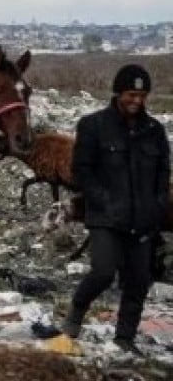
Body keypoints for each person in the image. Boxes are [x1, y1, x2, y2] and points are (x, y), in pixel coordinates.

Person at [62, 64, 170, 354]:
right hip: (106, 217)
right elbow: (82, 170)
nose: (137, 101)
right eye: (131, 94)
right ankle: (77, 310)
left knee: (138, 282)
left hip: (144, 220)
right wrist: (103, 201)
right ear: (118, 92)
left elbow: (163, 174)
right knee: (103, 272)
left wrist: (157, 207)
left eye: (143, 95)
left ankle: (125, 338)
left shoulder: (154, 131)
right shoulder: (93, 125)